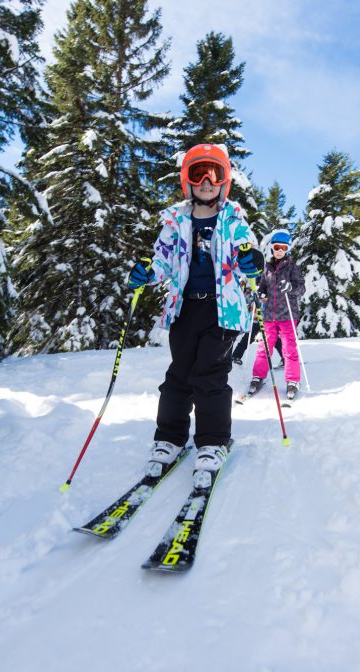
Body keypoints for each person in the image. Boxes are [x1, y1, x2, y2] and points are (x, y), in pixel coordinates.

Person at [126, 144, 263, 489]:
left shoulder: (233, 219)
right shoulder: (176, 221)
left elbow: (246, 251)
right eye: (199, 172)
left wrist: (252, 261)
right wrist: (147, 271)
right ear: (187, 180)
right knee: (179, 374)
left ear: (224, 181)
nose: (206, 180)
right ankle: (169, 438)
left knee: (210, 375)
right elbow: (162, 260)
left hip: (222, 310)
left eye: (214, 174)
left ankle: (212, 442)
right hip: (185, 306)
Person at [246, 229, 305, 401]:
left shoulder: (292, 267)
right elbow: (263, 286)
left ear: (288, 249)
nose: (280, 250)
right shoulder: (267, 268)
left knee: (289, 350)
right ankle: (258, 377)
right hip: (269, 316)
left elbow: (301, 287)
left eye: (283, 248)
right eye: (277, 247)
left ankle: (293, 380)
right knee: (263, 348)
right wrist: (260, 294)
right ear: (272, 248)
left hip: (287, 314)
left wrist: (291, 288)